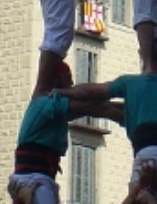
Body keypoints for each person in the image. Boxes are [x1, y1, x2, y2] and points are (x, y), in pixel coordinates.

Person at [57, 38, 157, 204]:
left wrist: (63, 92)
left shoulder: (132, 83)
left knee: (137, 198)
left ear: (146, 56)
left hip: (149, 153)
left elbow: (92, 91)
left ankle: (145, 194)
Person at [8, 62, 121, 204]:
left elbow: (91, 109)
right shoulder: (47, 104)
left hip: (35, 177)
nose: (72, 83)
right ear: (57, 80)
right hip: (34, 179)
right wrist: (115, 92)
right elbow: (84, 105)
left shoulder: (51, 109)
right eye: (68, 78)